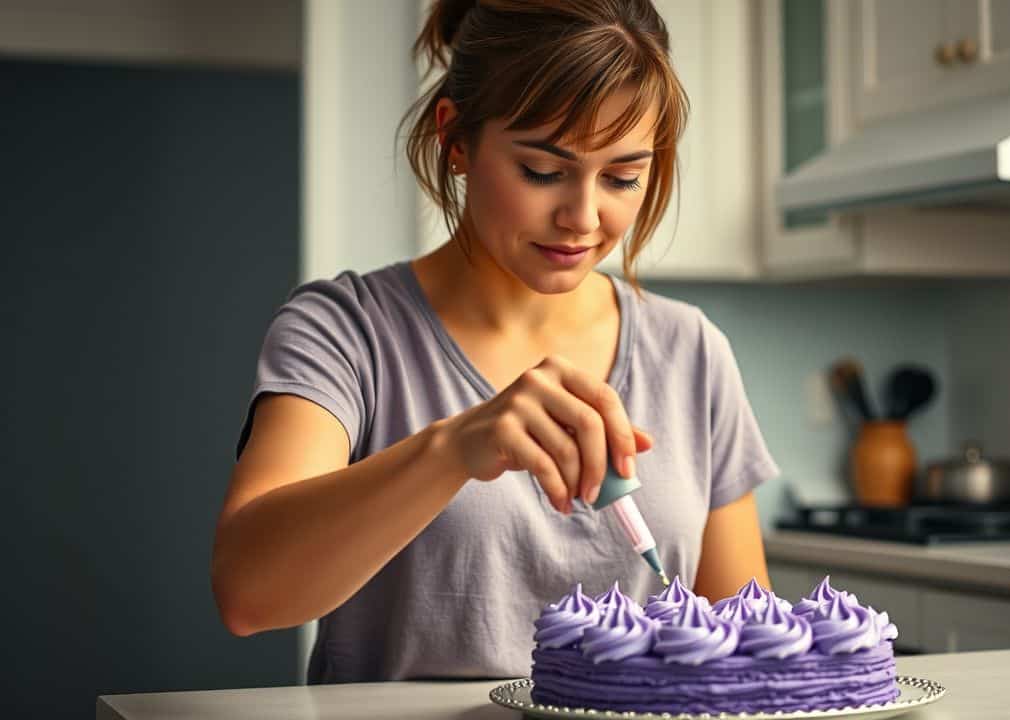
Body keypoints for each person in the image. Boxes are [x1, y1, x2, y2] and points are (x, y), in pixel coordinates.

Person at [211, 0, 778, 683]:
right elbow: (248, 593)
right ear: (456, 139)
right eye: (543, 171)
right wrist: (455, 448)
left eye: (624, 177)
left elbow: (746, 647)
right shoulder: (344, 331)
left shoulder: (691, 350)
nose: (584, 217)